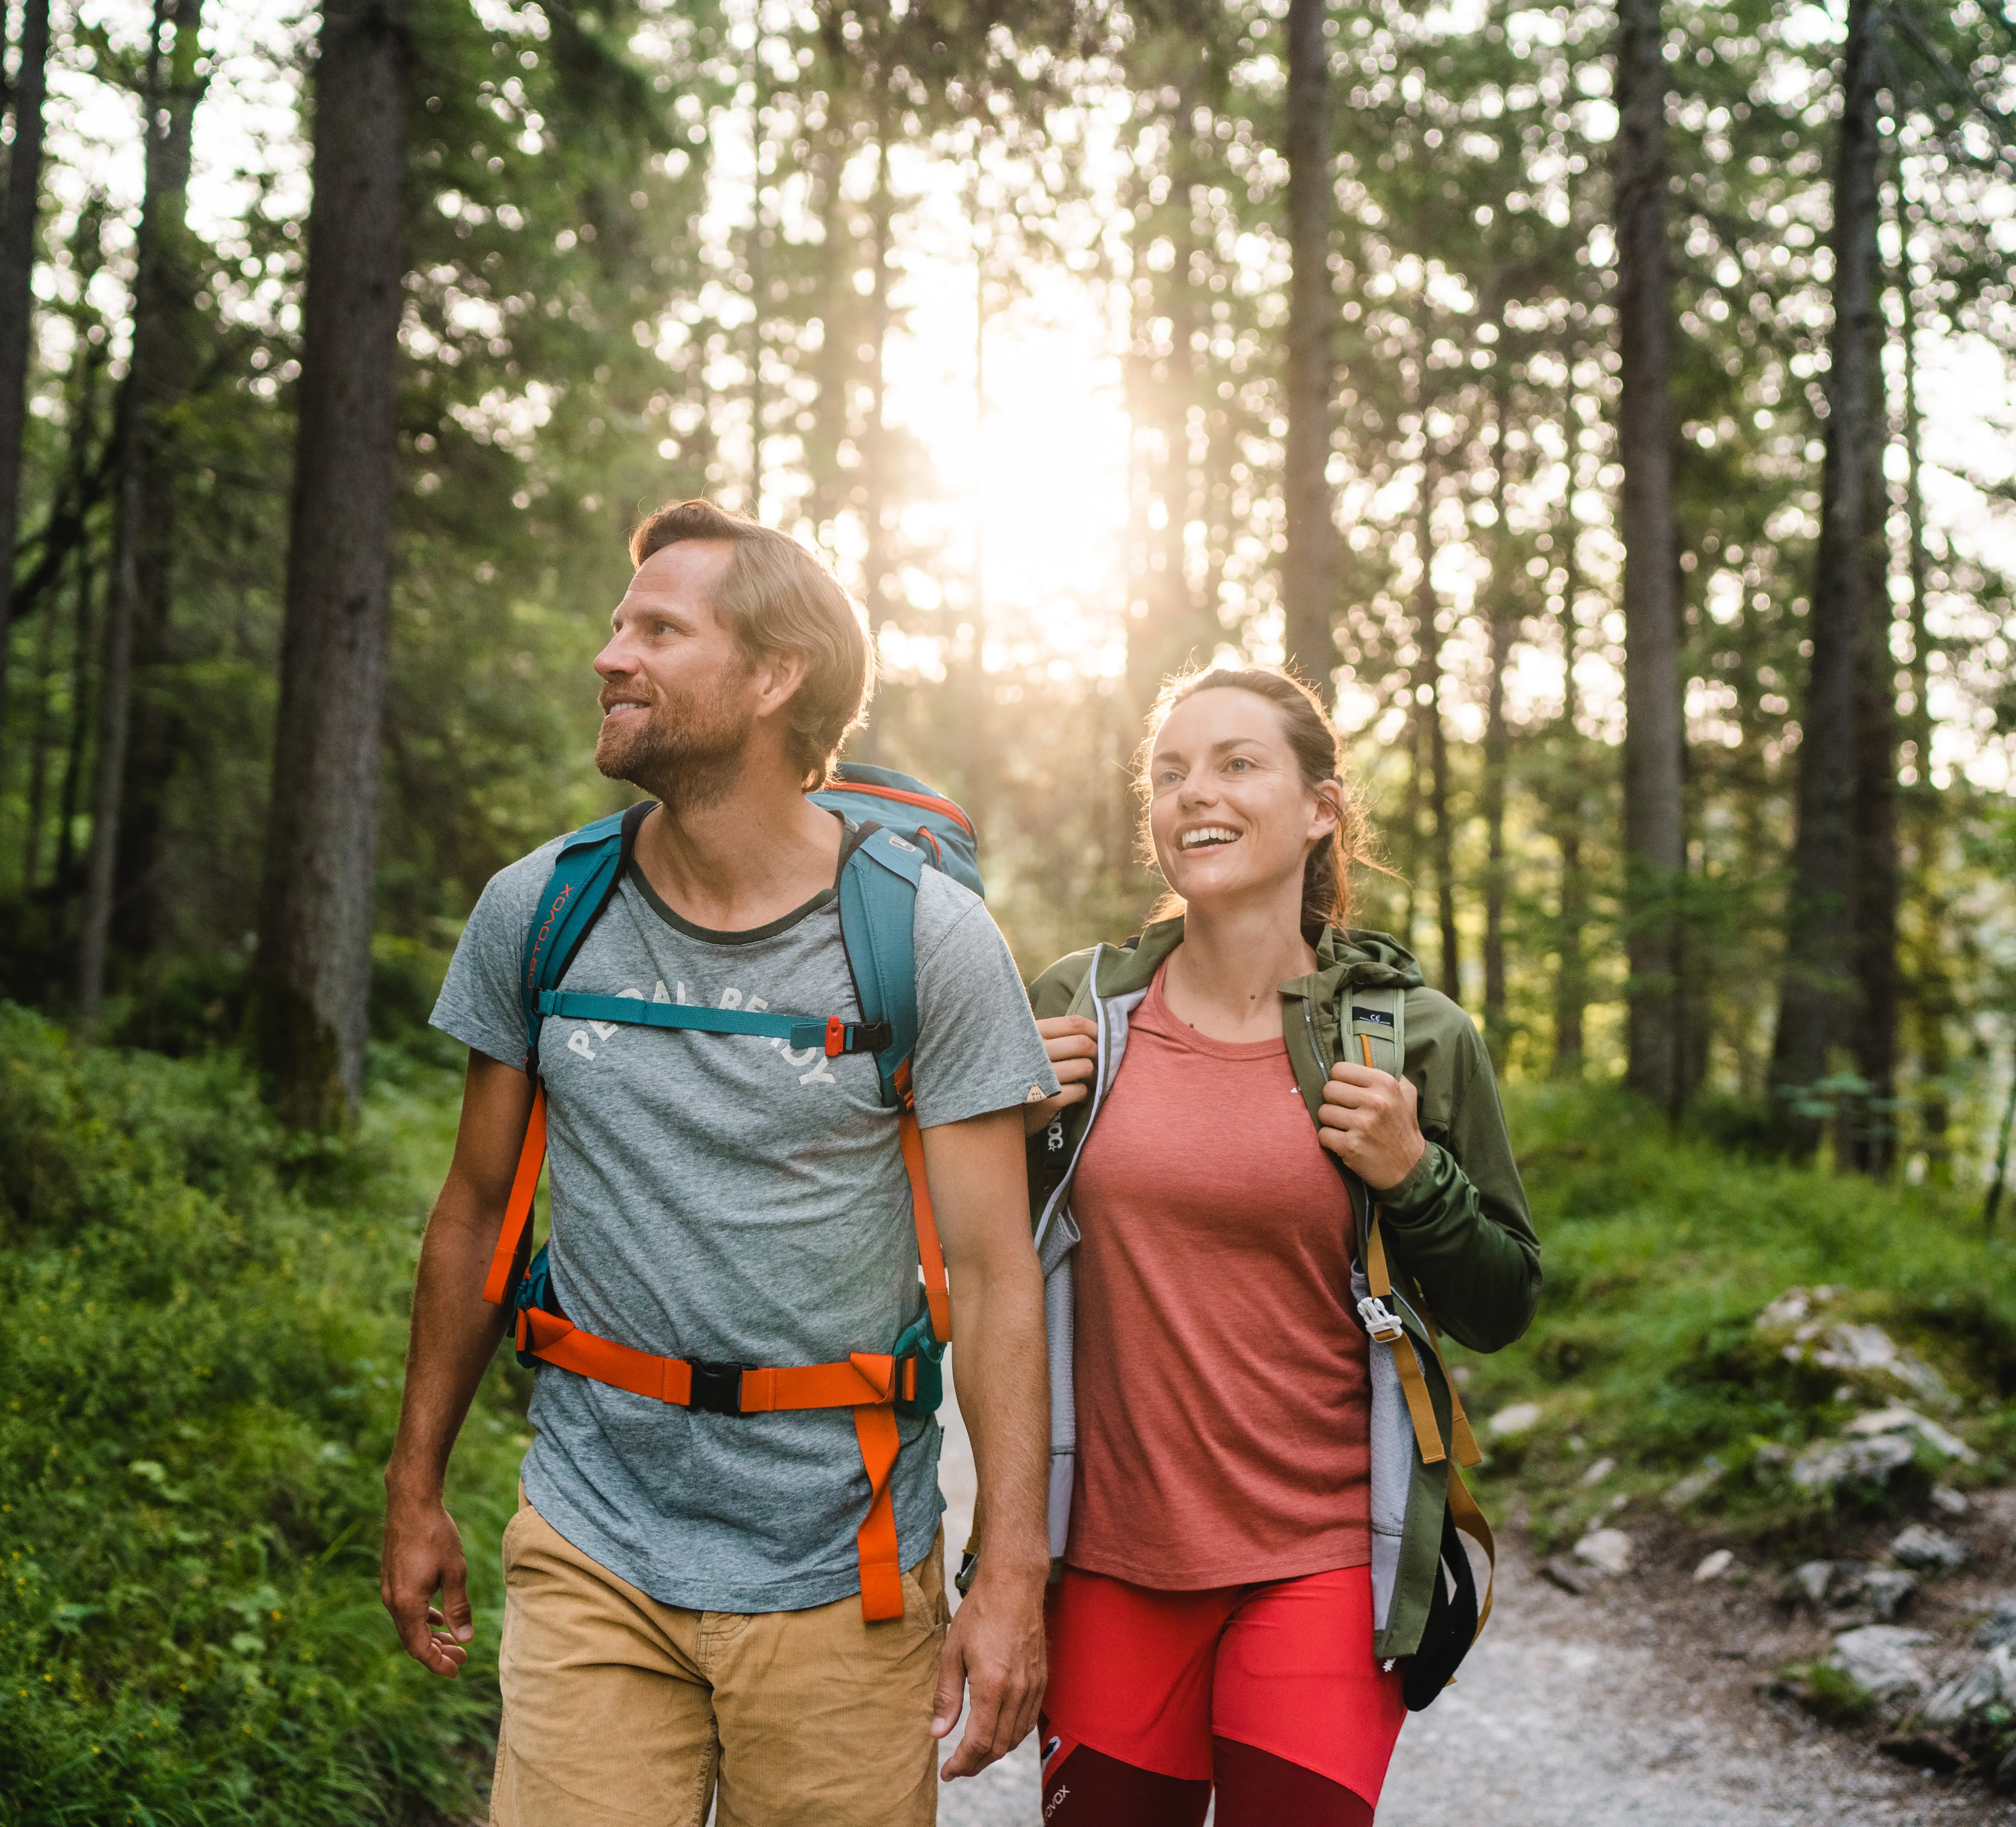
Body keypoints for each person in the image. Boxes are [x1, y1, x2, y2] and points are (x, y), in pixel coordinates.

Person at [380, 499, 1054, 1827]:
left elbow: (995, 1274)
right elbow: (473, 1216)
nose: (608, 656)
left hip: (842, 1570)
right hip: (592, 1542)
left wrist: (1009, 1578)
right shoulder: (543, 909)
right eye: (618, 624)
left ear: (772, 677)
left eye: (658, 630)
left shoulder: (927, 942)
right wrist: (414, 1490)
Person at [1021, 666, 1541, 1825]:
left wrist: (1417, 1177)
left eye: (1236, 762)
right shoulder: (1080, 1008)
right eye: (1169, 772)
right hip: (1111, 1559)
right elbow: (993, 1262)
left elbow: (1503, 1303)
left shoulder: (1413, 1035)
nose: (1193, 792)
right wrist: (1014, 1137)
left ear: (1321, 809)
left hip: (1326, 1559)